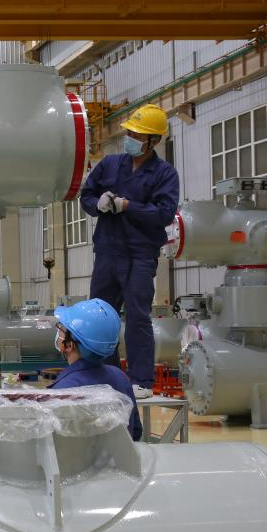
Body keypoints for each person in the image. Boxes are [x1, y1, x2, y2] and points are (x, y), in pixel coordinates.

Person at [79, 103, 180, 399]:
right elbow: (87, 195)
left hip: (140, 256)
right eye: (130, 133)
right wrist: (97, 204)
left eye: (138, 134)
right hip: (107, 252)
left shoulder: (165, 174)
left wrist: (127, 206)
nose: (131, 138)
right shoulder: (110, 165)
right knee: (100, 317)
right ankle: (105, 376)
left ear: (154, 140)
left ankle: (141, 381)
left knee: (137, 317)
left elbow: (164, 214)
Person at [50, 298, 142, 441]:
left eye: (62, 329)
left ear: (68, 345)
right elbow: (135, 432)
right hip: (120, 456)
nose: (59, 332)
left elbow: (53, 443)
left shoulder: (63, 389)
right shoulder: (120, 377)